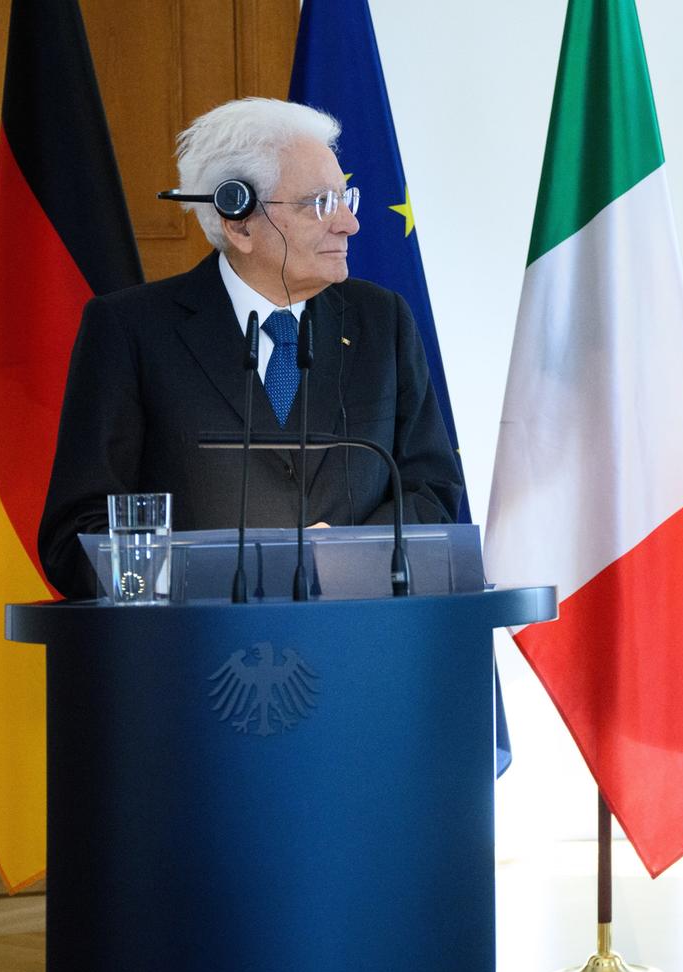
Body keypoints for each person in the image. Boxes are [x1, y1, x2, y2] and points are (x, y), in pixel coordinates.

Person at [37, 98, 462, 598]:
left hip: (359, 642)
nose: (350, 224)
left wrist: (350, 551)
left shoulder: (381, 320)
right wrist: (215, 574)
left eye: (348, 199)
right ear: (239, 222)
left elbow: (432, 491)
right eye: (320, 203)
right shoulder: (131, 330)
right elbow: (79, 532)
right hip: (197, 653)